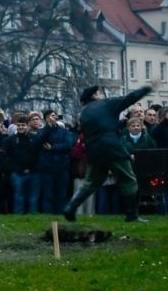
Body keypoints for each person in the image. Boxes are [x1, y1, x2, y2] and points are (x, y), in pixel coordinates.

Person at [63, 84, 154, 223]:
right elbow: (129, 98)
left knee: (91, 182)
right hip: (112, 147)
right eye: (98, 93)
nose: (101, 95)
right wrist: (147, 88)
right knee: (129, 180)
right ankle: (132, 215)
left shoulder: (84, 113)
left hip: (94, 150)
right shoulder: (106, 104)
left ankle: (71, 207)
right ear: (94, 95)